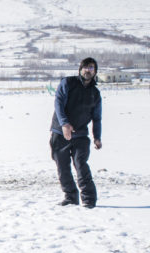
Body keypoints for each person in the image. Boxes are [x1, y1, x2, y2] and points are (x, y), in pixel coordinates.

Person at [50, 57, 103, 208]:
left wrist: (97, 137)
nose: (88, 70)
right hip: (60, 133)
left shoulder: (95, 93)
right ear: (80, 69)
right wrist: (64, 124)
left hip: (80, 135)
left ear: (95, 71)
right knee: (62, 166)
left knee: (81, 165)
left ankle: (89, 200)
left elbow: (97, 118)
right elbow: (58, 103)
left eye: (91, 68)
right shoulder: (67, 83)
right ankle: (71, 197)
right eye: (85, 67)